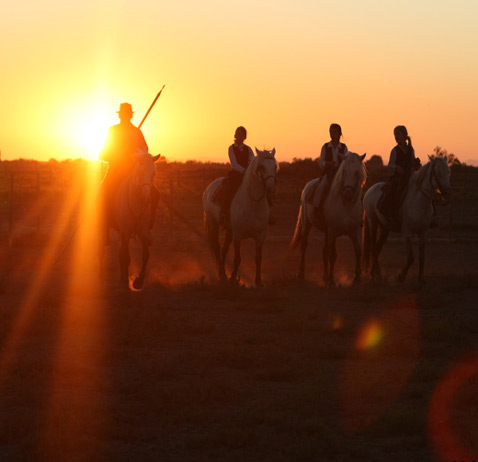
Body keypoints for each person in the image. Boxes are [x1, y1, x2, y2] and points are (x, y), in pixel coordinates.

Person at [99, 102, 159, 241]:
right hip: (116, 170)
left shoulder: (137, 132)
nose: (125, 117)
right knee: (103, 194)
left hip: (134, 172)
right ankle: (105, 229)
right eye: (124, 114)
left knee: (155, 194)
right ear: (120, 116)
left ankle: (147, 228)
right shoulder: (112, 131)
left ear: (130, 116)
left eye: (128, 114)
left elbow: (145, 151)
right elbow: (102, 154)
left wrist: (134, 155)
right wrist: (117, 155)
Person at [378, 125, 419, 227]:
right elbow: (390, 164)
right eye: (395, 135)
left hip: (410, 177)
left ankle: (430, 216)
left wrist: (415, 164)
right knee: (393, 193)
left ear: (404, 135)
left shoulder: (411, 149)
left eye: (398, 134)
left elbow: (412, 162)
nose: (396, 137)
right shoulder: (395, 150)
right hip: (399, 178)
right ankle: (390, 216)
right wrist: (397, 168)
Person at [218, 126, 255, 226]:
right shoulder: (231, 148)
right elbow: (234, 164)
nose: (240, 136)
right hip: (236, 174)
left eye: (242, 134)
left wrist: (250, 172)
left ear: (244, 137)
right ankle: (224, 212)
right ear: (235, 135)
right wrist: (244, 171)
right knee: (228, 189)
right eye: (238, 134)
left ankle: (266, 211)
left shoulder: (249, 149)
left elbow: (252, 160)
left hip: (247, 174)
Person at [313, 123, 348, 226]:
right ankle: (316, 209)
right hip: (328, 173)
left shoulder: (344, 147)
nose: (332, 134)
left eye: (334, 132)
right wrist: (327, 164)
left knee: (350, 187)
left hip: (340, 174)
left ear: (339, 133)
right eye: (330, 132)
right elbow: (321, 162)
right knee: (321, 188)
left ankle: (356, 213)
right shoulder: (325, 147)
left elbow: (347, 160)